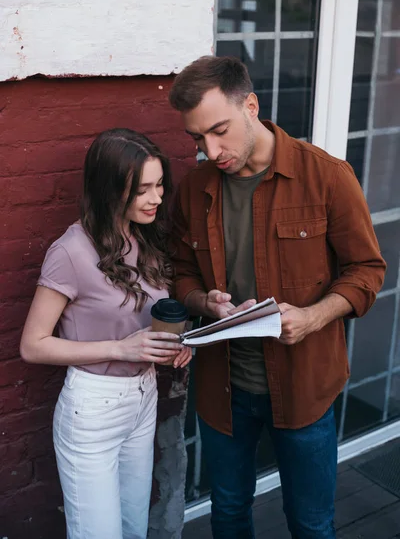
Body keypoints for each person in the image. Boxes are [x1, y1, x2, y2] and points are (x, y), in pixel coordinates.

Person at [168, 56, 386, 539]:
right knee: (227, 514)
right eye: (197, 139)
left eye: (219, 130)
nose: (210, 149)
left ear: (251, 106)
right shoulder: (195, 188)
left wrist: (312, 317)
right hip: (224, 392)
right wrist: (205, 302)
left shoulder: (327, 176)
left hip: (304, 389)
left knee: (310, 524)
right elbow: (179, 273)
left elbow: (367, 271)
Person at [20, 128, 192, 539]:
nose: (156, 198)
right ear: (110, 190)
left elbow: (143, 322)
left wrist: (174, 347)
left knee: (135, 528)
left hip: (143, 398)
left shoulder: (144, 237)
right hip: (93, 409)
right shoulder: (71, 252)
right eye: (143, 190)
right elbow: (32, 345)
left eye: (160, 185)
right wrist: (121, 347)